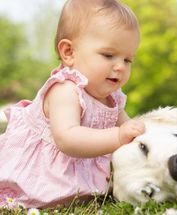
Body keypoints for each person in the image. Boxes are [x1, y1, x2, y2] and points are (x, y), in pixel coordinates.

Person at [0, 0, 145, 208]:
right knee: (24, 197)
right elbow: (67, 139)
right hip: (42, 173)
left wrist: (139, 136)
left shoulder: (113, 96)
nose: (120, 67)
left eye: (128, 60)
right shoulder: (65, 89)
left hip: (76, 180)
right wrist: (118, 136)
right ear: (69, 52)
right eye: (109, 55)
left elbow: (130, 131)